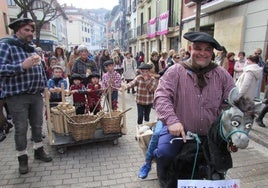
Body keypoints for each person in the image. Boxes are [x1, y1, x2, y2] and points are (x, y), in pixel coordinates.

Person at [153, 31, 235, 184]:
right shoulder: (175, 71)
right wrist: (171, 121)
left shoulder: (222, 74)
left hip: (210, 134)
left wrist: (244, 108)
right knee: (164, 154)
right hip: (179, 131)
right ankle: (164, 183)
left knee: (222, 161)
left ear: (212, 53)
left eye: (207, 50)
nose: (202, 53)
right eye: (198, 48)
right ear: (191, 49)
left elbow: (233, 97)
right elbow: (161, 96)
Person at [0, 18, 52, 174]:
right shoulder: (6, 46)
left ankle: (38, 151)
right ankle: (22, 159)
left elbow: (40, 70)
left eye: (31, 30)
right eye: (26, 30)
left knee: (37, 125)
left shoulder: (32, 49)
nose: (30, 33)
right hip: (17, 96)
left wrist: (44, 86)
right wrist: (21, 66)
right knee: (21, 128)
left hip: (35, 94)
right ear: (17, 31)